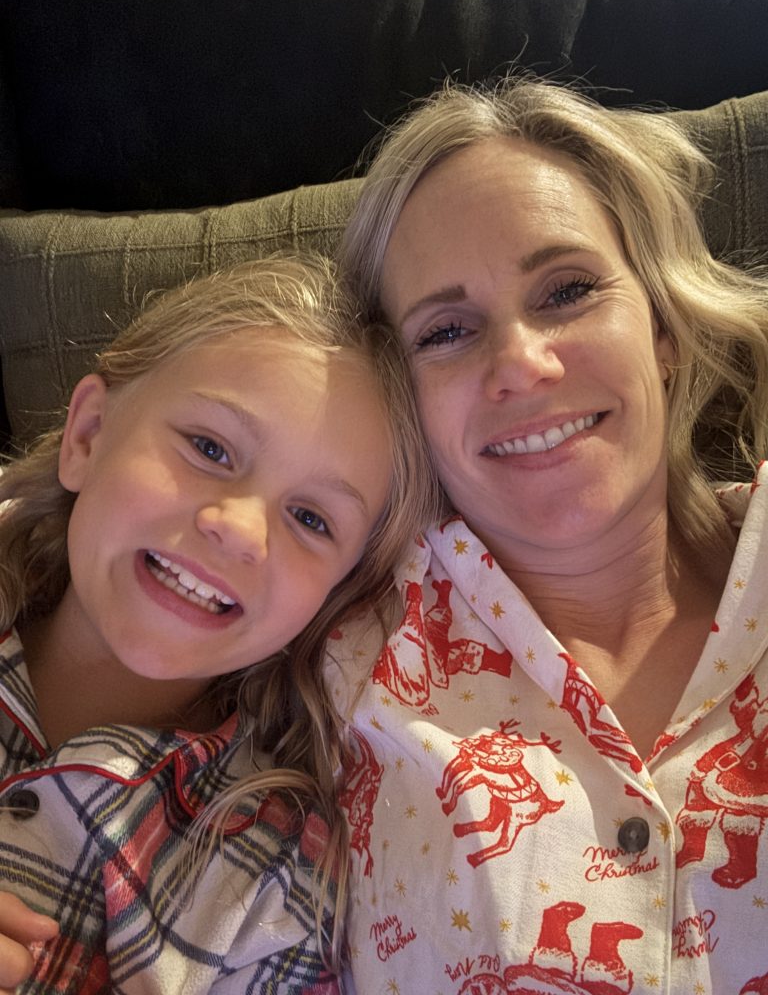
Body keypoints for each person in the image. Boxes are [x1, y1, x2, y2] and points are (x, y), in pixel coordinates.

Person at [329, 77, 768, 994]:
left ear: (662, 328)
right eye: (447, 332)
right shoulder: (336, 649)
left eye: (566, 291)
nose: (522, 364)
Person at [0, 253, 437, 993]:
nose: (238, 529)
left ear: (333, 598)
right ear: (87, 436)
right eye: (209, 449)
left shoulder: (275, 884)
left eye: (310, 519)